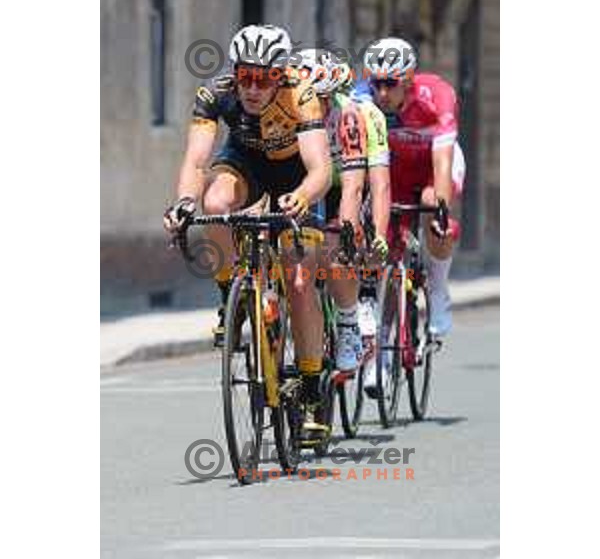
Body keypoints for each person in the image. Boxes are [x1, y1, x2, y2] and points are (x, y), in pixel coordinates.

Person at [163, 25, 332, 421]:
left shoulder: (301, 94)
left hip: (295, 175)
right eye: (245, 77)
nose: (253, 88)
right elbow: (196, 160)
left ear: (281, 74)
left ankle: (310, 387)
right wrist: (184, 203)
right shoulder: (215, 94)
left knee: (299, 279)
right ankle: (231, 297)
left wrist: (303, 196)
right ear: (235, 73)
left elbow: (320, 168)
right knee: (215, 200)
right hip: (244, 164)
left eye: (265, 78)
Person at [359, 37, 466, 393]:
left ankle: (438, 293)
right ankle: (381, 355)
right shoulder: (363, 98)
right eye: (376, 82)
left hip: (431, 168)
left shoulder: (437, 95)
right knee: (387, 255)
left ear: (409, 79)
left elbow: (443, 160)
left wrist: (440, 209)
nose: (382, 91)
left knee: (436, 211)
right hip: (393, 173)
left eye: (390, 83)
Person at [294, 49, 391, 372]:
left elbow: (360, 187)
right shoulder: (289, 110)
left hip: (348, 177)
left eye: (321, 100)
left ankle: (348, 322)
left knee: (336, 245)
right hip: (311, 177)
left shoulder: (351, 116)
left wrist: (349, 234)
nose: (313, 107)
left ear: (333, 96)